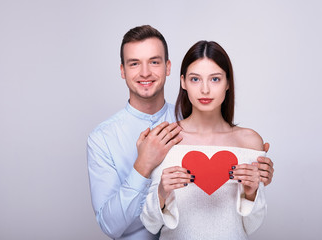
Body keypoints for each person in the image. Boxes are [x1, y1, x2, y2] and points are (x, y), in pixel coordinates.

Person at [87, 25, 274, 240]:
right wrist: (144, 167)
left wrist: (255, 187)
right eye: (134, 63)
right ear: (184, 81)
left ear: (168, 68)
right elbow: (118, 225)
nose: (145, 72)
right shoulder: (106, 139)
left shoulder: (242, 138)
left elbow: (250, 221)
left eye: (154, 61)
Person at [140, 40, 269, 239]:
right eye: (195, 79)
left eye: (215, 79)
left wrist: (251, 193)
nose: (205, 90)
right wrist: (161, 193)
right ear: (183, 82)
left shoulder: (249, 142)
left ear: (228, 83)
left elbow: (251, 225)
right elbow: (151, 225)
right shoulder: (165, 139)